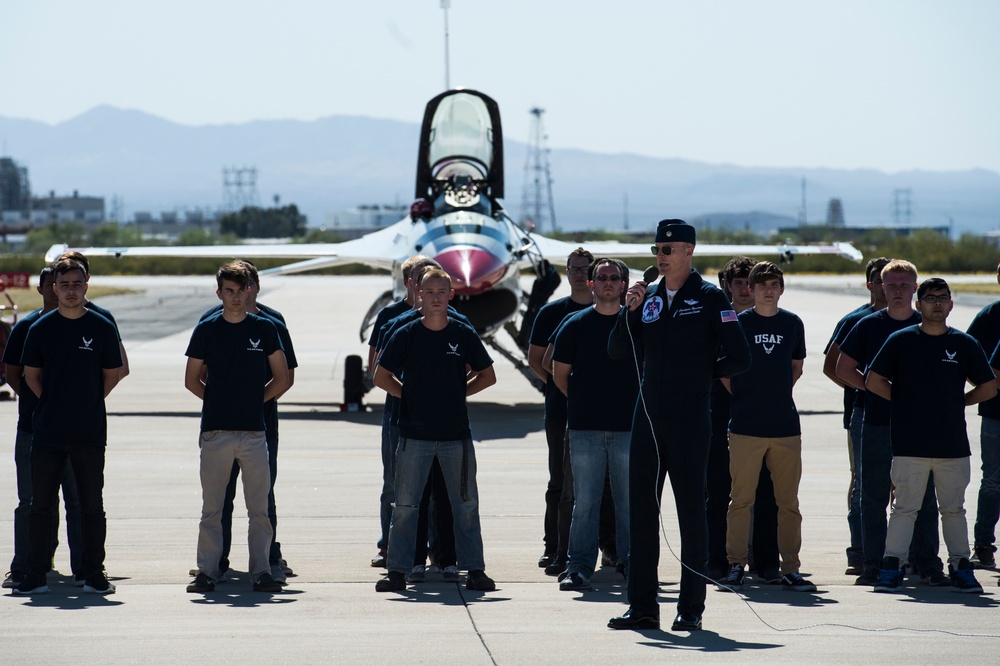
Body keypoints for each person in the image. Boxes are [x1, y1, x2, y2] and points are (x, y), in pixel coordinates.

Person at [607, 219, 751, 632]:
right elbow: (618, 350)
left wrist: (702, 376)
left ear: (688, 251)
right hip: (648, 417)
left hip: (690, 418)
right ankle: (642, 607)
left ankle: (691, 607)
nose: (661, 257)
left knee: (691, 514)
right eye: (657, 250)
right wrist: (626, 310)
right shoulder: (648, 299)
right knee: (642, 515)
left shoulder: (709, 299)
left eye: (668, 250)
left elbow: (740, 357)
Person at [373, 269, 497, 593]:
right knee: (405, 506)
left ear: (451, 295)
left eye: (442, 291)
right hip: (414, 436)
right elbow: (381, 375)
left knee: (466, 505)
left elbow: (487, 375)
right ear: (419, 295)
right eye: (430, 292)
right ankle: (397, 570)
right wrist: (410, 394)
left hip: (456, 435)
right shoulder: (406, 333)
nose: (437, 298)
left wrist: (458, 392)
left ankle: (475, 569)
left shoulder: (463, 332)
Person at [868, 278, 994, 594]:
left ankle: (961, 567)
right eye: (929, 298)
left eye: (942, 297)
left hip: (952, 445)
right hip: (910, 444)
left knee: (953, 510)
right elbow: (873, 379)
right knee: (904, 509)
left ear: (951, 304)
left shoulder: (965, 344)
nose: (936, 303)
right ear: (918, 304)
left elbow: (989, 386)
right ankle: (892, 567)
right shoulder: (901, 340)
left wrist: (959, 401)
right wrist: (900, 399)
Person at [13, 258, 123, 595]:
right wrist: (54, 403)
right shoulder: (39, 329)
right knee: (40, 505)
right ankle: (34, 574)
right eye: (64, 285)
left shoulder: (102, 326)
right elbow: (29, 376)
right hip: (47, 432)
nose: (70, 291)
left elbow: (112, 374)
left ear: (86, 284)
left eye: (77, 284)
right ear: (54, 288)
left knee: (91, 505)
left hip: (88, 432)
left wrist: (85, 403)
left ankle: (92, 573)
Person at [836, 260, 946, 587]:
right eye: (891, 285)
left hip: (919, 428)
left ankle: (926, 562)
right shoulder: (868, 325)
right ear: (880, 288)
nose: (897, 291)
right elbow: (842, 367)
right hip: (876, 424)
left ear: (915, 288)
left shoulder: (928, 325)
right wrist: (874, 388)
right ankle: (874, 563)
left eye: (904, 285)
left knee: (923, 497)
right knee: (873, 495)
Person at [184, 261, 289, 594]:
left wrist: (255, 401)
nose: (234, 297)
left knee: (259, 509)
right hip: (216, 433)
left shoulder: (265, 328)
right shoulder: (207, 328)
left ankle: (261, 571)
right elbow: (191, 379)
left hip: (255, 434)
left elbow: (282, 377)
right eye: (227, 291)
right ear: (219, 293)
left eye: (240, 290)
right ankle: (208, 571)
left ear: (249, 291)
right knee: (212, 508)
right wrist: (218, 402)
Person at [720, 262, 815, 592]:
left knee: (787, 503)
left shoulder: (792, 323)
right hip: (746, 426)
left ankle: (790, 566)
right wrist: (748, 396)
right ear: (750, 289)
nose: (767, 290)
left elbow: (796, 366)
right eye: (761, 285)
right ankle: (735, 564)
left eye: (774, 284)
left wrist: (775, 395)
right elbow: (723, 372)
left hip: (785, 427)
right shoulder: (738, 323)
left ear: (782, 288)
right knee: (740, 500)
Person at [551, 258, 638, 591]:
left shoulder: (636, 324)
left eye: (614, 277)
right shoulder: (575, 324)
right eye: (601, 277)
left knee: (628, 502)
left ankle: (632, 564)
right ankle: (579, 566)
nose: (607, 282)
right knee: (584, 501)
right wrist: (586, 403)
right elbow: (560, 375)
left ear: (624, 285)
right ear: (590, 284)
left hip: (629, 429)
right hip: (585, 429)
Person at [3, 266, 88, 590]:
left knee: (78, 501)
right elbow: (14, 376)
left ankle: (84, 566)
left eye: (68, 284)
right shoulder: (26, 327)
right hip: (34, 430)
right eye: (53, 285)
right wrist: (44, 405)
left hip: (76, 430)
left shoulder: (91, 324)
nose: (58, 291)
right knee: (31, 502)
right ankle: (25, 564)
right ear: (43, 289)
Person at [706, 256, 780, 584]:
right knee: (719, 490)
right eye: (737, 282)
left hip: (762, 416)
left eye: (747, 282)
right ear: (730, 286)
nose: (744, 289)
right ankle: (717, 559)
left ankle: (765, 560)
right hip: (722, 414)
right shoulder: (717, 320)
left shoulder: (772, 321)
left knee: (766, 491)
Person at [528, 247, 595, 574]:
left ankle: (606, 546)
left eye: (585, 268)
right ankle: (553, 545)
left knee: (603, 484)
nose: (579, 273)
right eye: (574, 268)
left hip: (601, 413)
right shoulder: (552, 313)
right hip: (560, 411)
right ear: (567, 272)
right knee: (560, 481)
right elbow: (536, 359)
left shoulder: (610, 310)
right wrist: (558, 385)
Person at [822, 256, 890, 575]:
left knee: (901, 484)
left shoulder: (910, 319)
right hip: (862, 414)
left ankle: (893, 550)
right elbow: (831, 367)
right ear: (869, 284)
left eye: (889, 280)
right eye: (878, 280)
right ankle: (860, 550)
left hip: (903, 417)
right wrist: (863, 387)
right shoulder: (855, 320)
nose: (884, 287)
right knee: (862, 483)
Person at [367, 255, 436, 568]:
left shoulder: (448, 316)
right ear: (411, 283)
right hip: (397, 414)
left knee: (437, 489)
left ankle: (436, 549)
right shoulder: (390, 317)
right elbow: (375, 367)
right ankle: (390, 545)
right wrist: (412, 397)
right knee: (393, 485)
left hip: (438, 419)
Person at [964, 261, 1000, 569]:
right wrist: (986, 387)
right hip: (995, 413)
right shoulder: (989, 315)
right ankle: (984, 544)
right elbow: (967, 355)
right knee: (992, 481)